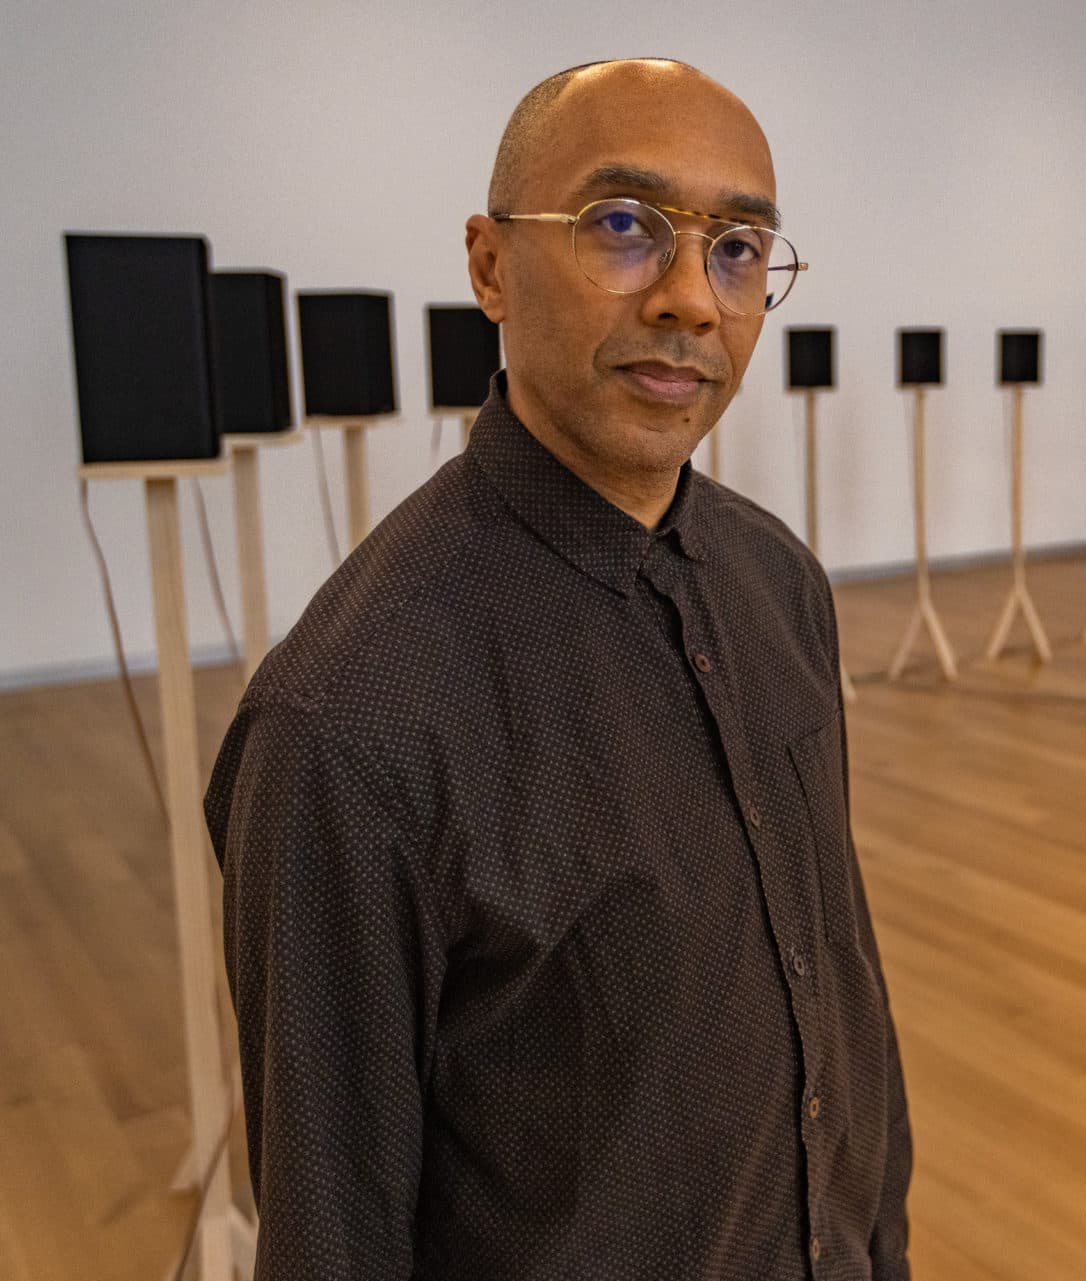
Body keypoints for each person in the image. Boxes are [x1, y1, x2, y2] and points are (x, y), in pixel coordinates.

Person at [204, 58, 911, 1280]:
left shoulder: (780, 583)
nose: (693, 298)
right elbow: (335, 1230)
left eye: (739, 247)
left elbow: (838, 983)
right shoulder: (346, 725)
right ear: (489, 265)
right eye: (624, 227)